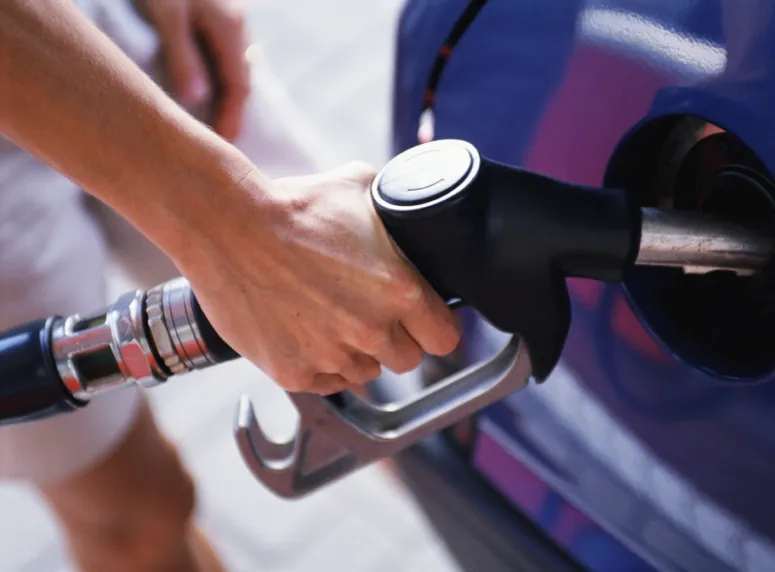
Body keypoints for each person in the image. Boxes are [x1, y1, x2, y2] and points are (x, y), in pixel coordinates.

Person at [0, 0, 461, 570]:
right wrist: (229, 225)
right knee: (134, 521)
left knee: (384, 326)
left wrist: (240, 223)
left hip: (93, 25)